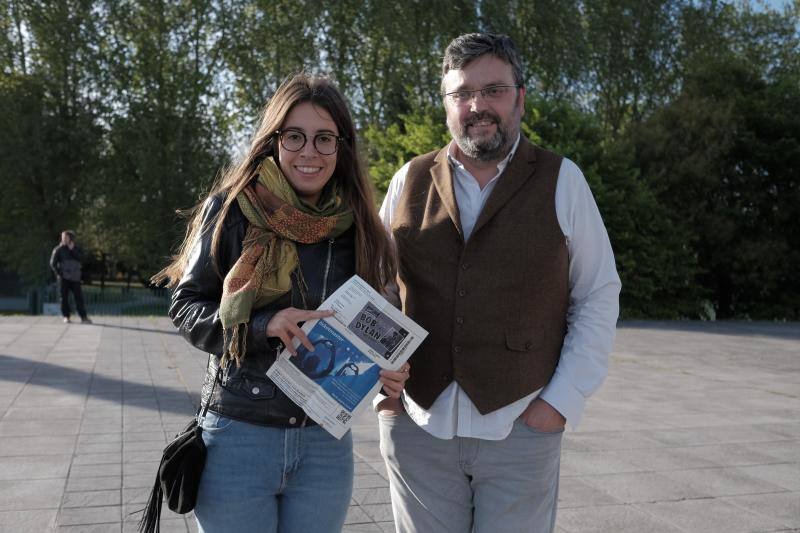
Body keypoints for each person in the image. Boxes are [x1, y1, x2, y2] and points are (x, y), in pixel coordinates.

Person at [377, 33, 621, 533]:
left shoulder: (563, 179)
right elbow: (375, 290)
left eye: (493, 90)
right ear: (446, 104)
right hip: (419, 428)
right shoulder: (408, 180)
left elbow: (597, 293)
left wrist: (559, 404)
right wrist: (382, 391)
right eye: (463, 93)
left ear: (520, 98)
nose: (477, 106)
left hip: (520, 426)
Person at [153, 73, 410, 533]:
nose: (309, 152)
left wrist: (392, 365)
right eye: (295, 136)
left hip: (324, 445)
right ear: (273, 140)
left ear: (342, 147)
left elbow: (375, 321)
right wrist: (262, 325)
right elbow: (186, 306)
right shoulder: (231, 210)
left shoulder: (361, 229)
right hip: (238, 435)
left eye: (324, 138)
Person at [49, 230, 91, 324]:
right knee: (64, 298)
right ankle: (66, 317)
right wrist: (60, 273)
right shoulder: (58, 249)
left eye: (66, 237)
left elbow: (82, 259)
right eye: (62, 237)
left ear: (71, 238)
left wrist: (72, 250)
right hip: (64, 278)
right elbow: (52, 263)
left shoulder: (77, 248)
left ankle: (83, 317)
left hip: (75, 278)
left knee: (79, 298)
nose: (63, 239)